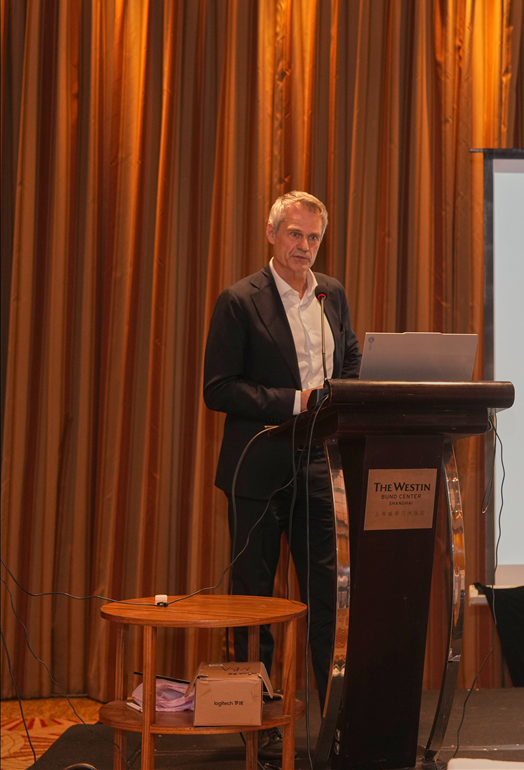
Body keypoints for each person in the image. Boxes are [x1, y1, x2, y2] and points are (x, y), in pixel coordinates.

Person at [203, 191, 361, 711]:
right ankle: (257, 722)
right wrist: (297, 400)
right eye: (295, 234)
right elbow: (218, 388)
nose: (305, 246)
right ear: (272, 234)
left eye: (314, 237)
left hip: (319, 464)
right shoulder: (239, 300)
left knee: (328, 596)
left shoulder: (331, 295)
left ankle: (335, 720)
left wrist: (345, 395)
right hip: (258, 467)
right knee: (254, 602)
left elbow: (351, 357)